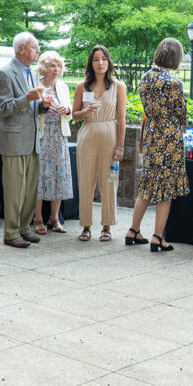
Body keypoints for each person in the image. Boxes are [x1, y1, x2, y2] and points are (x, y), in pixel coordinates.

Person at [126, 38, 189, 252]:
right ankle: (158, 236)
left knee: (148, 183)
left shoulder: (145, 78)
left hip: (151, 134)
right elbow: (182, 114)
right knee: (166, 188)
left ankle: (133, 230)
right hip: (169, 137)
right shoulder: (173, 83)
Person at [0, 32, 51, 248]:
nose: (38, 51)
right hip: (14, 141)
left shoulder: (34, 75)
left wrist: (43, 105)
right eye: (35, 47)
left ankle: (24, 228)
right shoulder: (5, 73)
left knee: (29, 191)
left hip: (33, 140)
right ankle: (10, 233)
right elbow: (2, 109)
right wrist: (27, 98)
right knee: (14, 190)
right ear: (21, 49)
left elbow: (33, 108)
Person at [72, 45, 126, 242]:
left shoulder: (118, 86)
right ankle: (86, 226)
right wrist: (85, 112)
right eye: (96, 59)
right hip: (87, 134)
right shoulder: (82, 86)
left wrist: (120, 146)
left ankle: (106, 225)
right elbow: (74, 115)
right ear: (91, 63)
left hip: (109, 135)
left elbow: (121, 119)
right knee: (86, 181)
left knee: (109, 181)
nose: (100, 63)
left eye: (104, 59)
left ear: (108, 62)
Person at [34, 50, 73, 234]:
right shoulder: (37, 85)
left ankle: (54, 218)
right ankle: (38, 218)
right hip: (42, 136)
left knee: (59, 177)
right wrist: (45, 107)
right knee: (40, 178)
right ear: (43, 67)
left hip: (59, 136)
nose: (56, 69)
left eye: (58, 66)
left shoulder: (63, 86)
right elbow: (30, 111)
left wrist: (67, 109)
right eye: (52, 65)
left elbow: (71, 112)